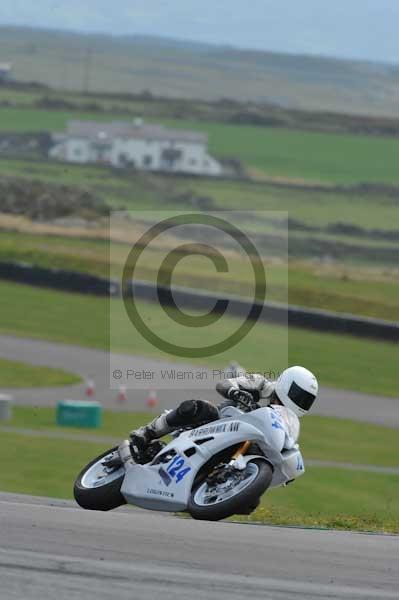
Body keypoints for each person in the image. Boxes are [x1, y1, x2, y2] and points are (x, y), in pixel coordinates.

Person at [129, 366, 318, 453]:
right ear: (287, 384)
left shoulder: (289, 420)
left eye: (306, 400)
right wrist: (236, 393)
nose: (300, 401)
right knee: (197, 407)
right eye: (299, 395)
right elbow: (223, 383)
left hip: (242, 444)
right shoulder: (260, 384)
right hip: (218, 423)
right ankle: (147, 432)